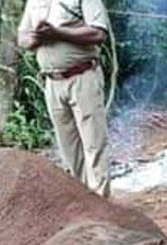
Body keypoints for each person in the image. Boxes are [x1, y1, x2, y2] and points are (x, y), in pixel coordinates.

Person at [17, 0, 112, 197]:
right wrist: (35, 38)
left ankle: (102, 205)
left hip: (83, 77)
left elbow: (98, 33)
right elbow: (22, 37)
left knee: (94, 145)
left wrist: (58, 34)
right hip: (52, 82)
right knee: (69, 149)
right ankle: (81, 202)